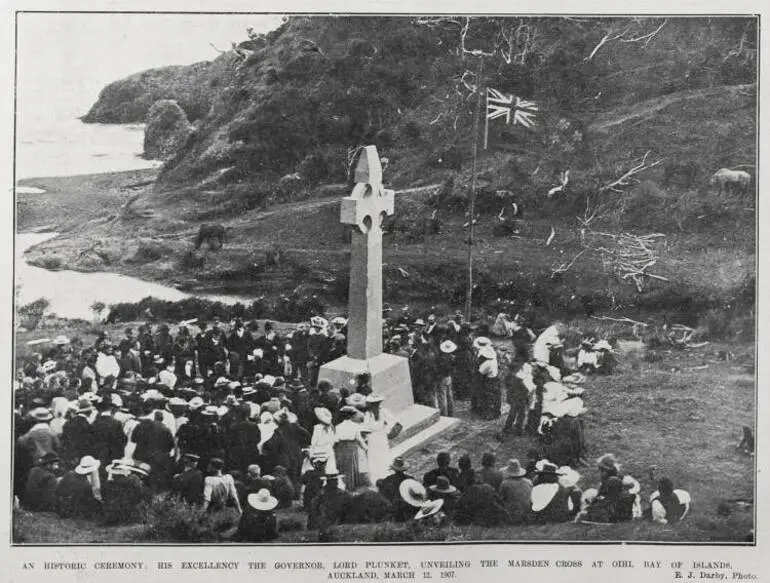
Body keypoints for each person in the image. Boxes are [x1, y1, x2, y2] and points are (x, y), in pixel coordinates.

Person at [361, 393, 400, 485]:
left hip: (375, 437)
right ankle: (382, 474)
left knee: (376, 455)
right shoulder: (381, 412)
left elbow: (366, 427)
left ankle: (378, 475)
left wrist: (385, 430)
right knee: (380, 454)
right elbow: (393, 421)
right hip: (379, 436)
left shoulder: (369, 414)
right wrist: (386, 429)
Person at [334, 406, 369, 491]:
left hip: (341, 447)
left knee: (342, 465)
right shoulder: (355, 426)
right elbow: (359, 439)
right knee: (351, 465)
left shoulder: (338, 426)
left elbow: (336, 439)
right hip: (352, 446)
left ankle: (343, 484)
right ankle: (351, 485)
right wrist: (366, 448)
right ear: (351, 416)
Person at [377, 457, 416, 522]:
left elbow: (382, 494)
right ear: (404, 469)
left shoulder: (388, 479)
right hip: (408, 508)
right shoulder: (410, 479)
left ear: (394, 469)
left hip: (393, 509)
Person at [498, 459, 532, 525]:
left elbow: (501, 499)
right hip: (526, 515)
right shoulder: (529, 482)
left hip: (511, 516)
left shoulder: (505, 483)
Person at [310, 407, 338, 474]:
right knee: (330, 468)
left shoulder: (317, 427)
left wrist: (312, 447)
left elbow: (314, 440)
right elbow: (334, 440)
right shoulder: (331, 427)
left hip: (319, 449)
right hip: (328, 449)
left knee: (319, 466)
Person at [436, 340, 457, 417]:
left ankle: (443, 414)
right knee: (449, 395)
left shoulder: (441, 358)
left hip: (442, 377)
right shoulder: (452, 357)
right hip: (449, 376)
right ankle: (451, 413)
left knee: (442, 397)